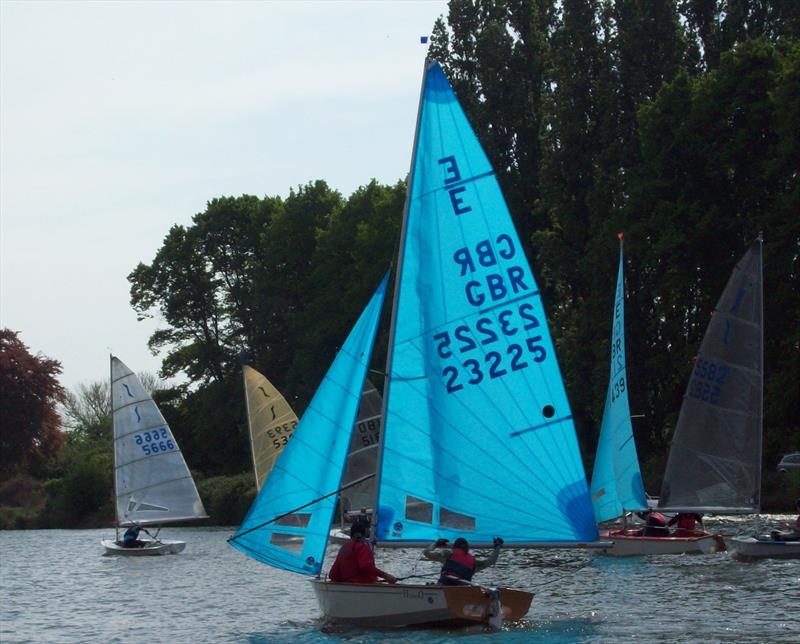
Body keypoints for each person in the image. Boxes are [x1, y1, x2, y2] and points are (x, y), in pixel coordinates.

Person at [328, 522, 397, 584]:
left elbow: (332, 574)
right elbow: (366, 567)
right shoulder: (362, 547)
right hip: (364, 586)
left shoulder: (344, 548)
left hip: (348, 586)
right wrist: (386, 576)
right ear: (362, 534)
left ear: (351, 535)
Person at [423, 536, 503, 585]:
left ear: (454, 546)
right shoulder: (473, 562)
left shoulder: (448, 553)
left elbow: (426, 553)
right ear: (467, 549)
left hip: (444, 589)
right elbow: (491, 561)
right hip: (461, 593)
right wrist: (497, 547)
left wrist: (436, 544)